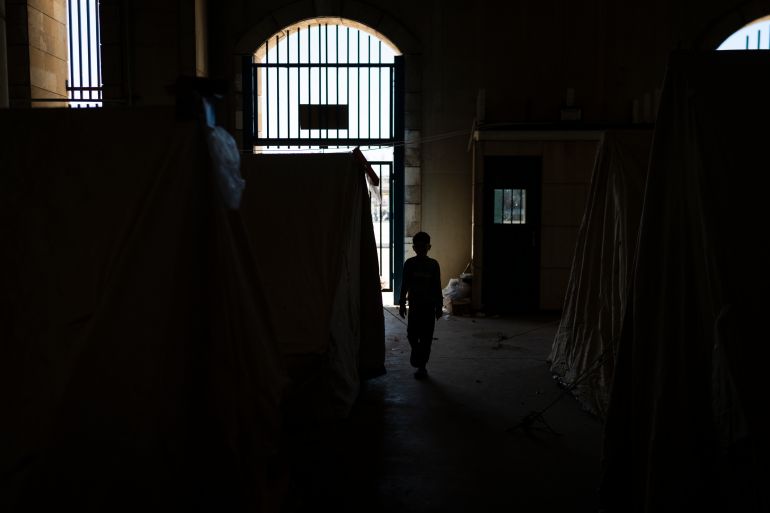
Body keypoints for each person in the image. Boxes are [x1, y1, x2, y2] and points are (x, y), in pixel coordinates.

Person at [399, 231, 442, 379]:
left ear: (429, 247)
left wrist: (439, 306)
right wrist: (402, 302)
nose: (422, 249)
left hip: (429, 308)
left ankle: (422, 367)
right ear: (414, 248)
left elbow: (437, 286)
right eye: (419, 246)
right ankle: (417, 352)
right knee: (412, 335)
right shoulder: (409, 264)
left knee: (426, 337)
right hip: (415, 307)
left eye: (424, 246)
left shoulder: (433, 265)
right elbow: (404, 284)